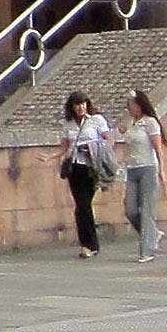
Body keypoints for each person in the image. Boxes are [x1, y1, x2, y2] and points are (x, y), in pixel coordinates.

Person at [55, 92, 116, 258]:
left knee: (83, 204)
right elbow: (65, 146)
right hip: (75, 167)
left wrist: (91, 147)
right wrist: (51, 156)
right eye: (77, 104)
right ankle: (88, 243)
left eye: (83, 103)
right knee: (80, 206)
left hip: (91, 166)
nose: (80, 107)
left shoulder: (96, 120)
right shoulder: (68, 124)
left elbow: (109, 140)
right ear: (72, 107)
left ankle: (89, 244)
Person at [122, 88, 167, 262]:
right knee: (130, 209)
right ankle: (153, 233)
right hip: (133, 168)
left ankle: (147, 250)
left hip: (148, 167)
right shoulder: (132, 123)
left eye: (132, 105)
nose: (130, 109)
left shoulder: (150, 123)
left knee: (146, 209)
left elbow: (158, 147)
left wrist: (161, 169)